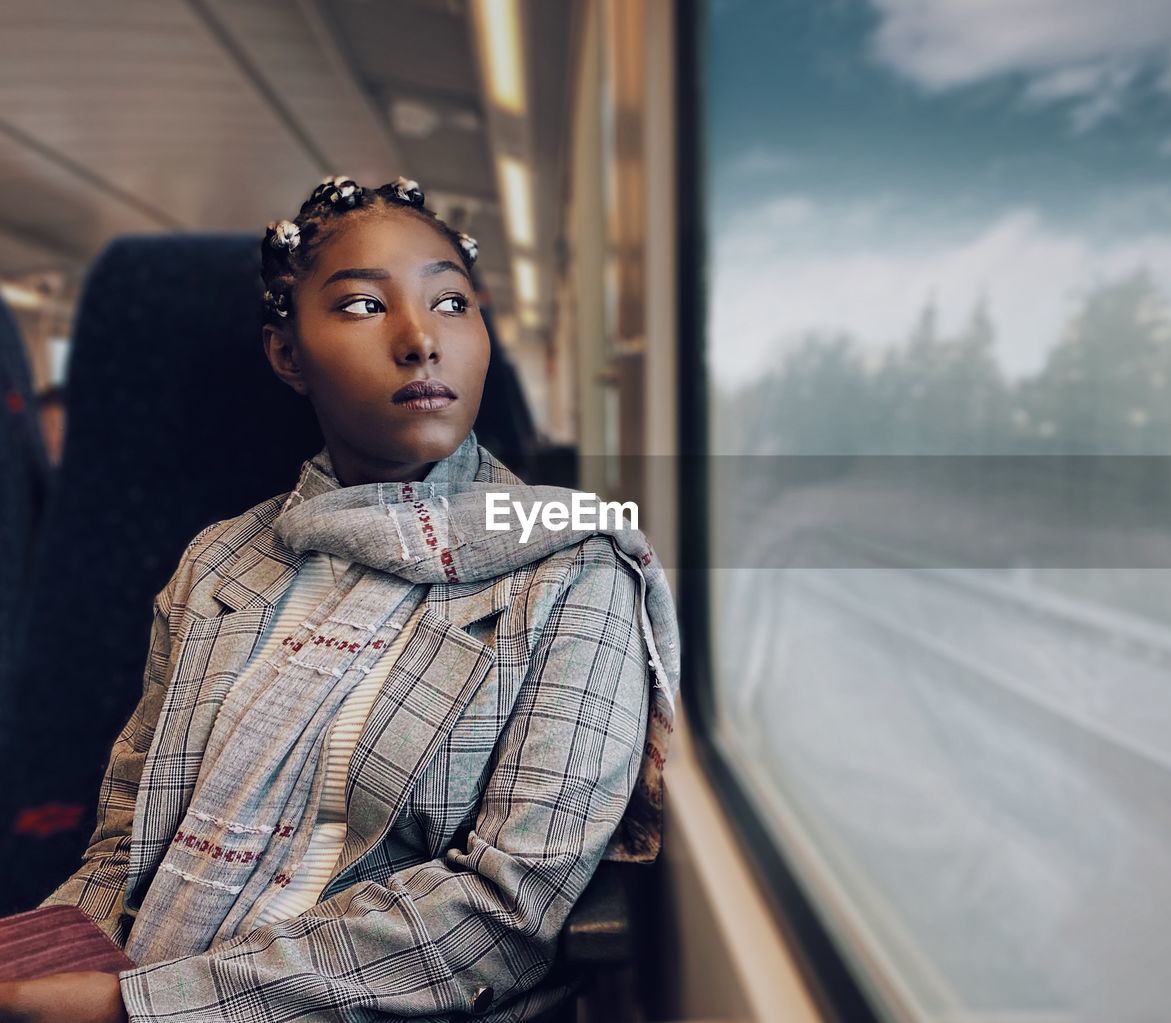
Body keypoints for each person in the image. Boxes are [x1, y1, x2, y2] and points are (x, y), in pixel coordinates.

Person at [0, 176, 679, 1023]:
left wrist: (136, 1006)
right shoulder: (219, 563)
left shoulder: (574, 570)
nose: (419, 339)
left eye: (452, 303)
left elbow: (507, 910)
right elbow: (125, 844)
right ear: (289, 355)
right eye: (362, 306)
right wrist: (47, 966)